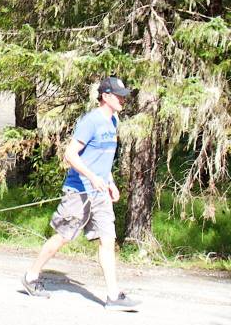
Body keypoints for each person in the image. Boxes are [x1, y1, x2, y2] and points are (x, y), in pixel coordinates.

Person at [21, 76, 141, 311]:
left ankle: (113, 295)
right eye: (118, 96)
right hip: (79, 191)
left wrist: (110, 182)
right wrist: (93, 177)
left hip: (100, 193)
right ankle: (31, 276)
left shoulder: (113, 121)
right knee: (63, 237)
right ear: (105, 96)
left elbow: (104, 159)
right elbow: (70, 155)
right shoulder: (91, 121)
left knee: (108, 240)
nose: (123, 100)